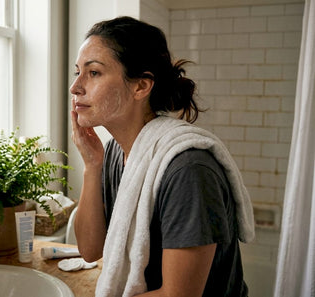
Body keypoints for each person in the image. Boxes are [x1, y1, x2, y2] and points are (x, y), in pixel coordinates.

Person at [70, 16, 255, 297]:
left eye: (93, 73)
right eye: (77, 72)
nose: (76, 87)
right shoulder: (113, 154)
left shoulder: (188, 170)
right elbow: (90, 250)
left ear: (141, 87)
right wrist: (91, 165)